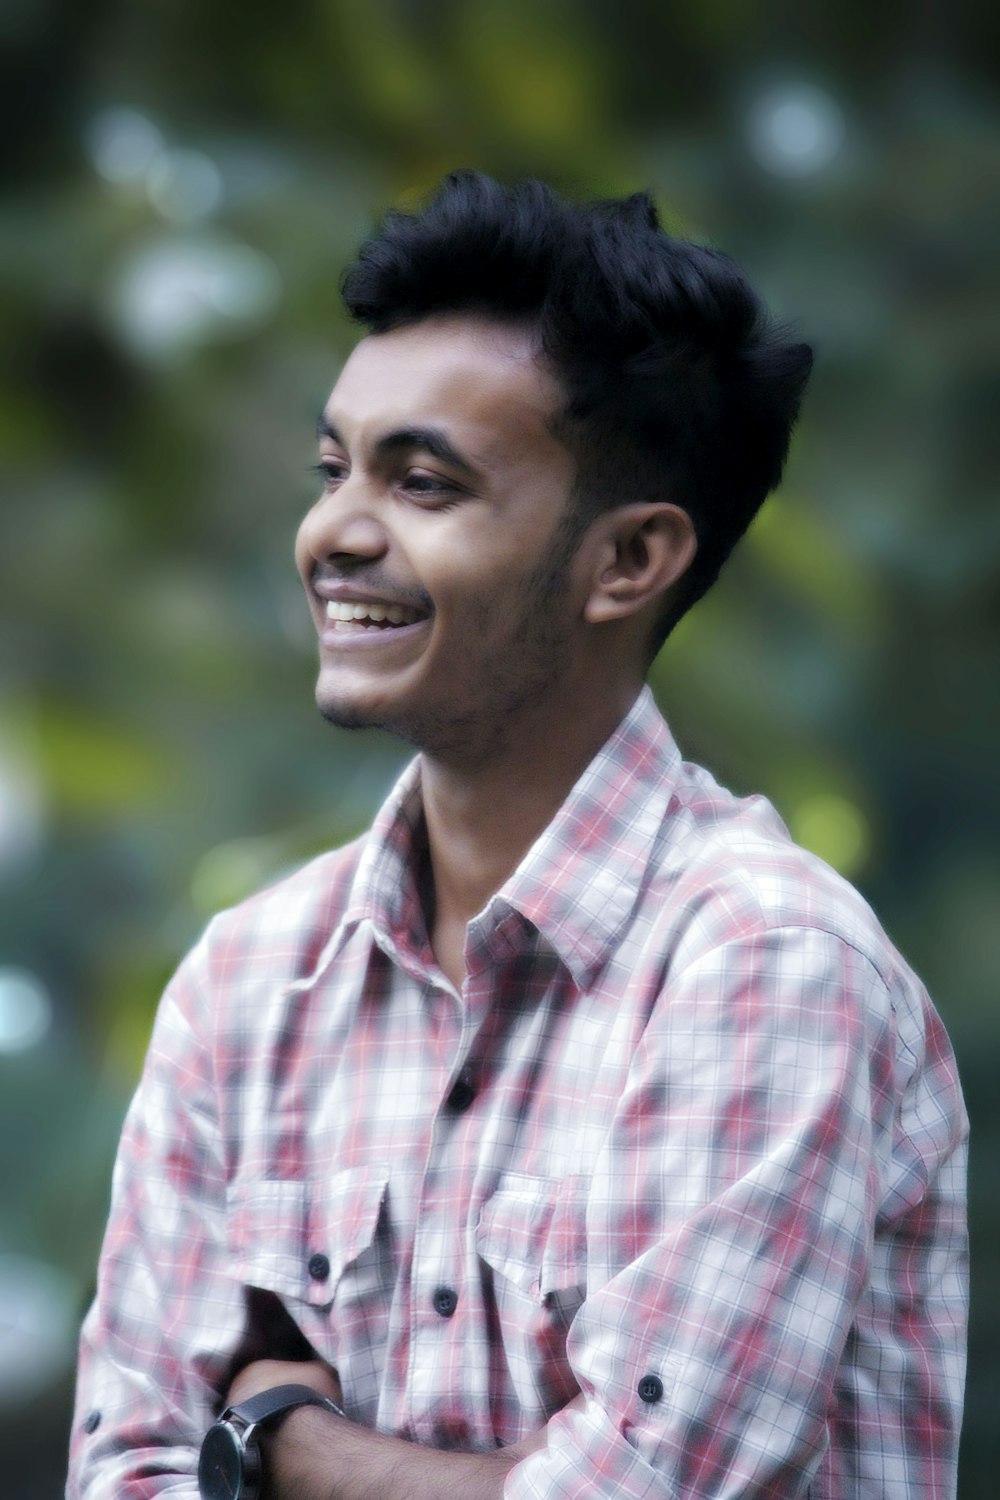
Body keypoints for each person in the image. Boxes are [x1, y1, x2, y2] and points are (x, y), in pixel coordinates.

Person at [67, 171, 968, 1500]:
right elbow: (126, 1466)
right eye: (334, 469)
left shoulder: (766, 966)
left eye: (422, 482)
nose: (332, 533)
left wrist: (281, 1441)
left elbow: (637, 1492)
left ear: (629, 561)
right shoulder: (248, 986)